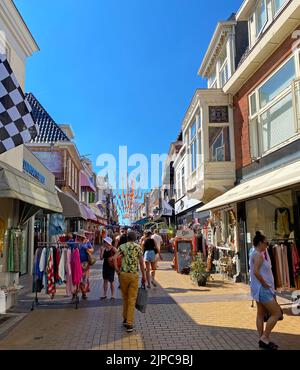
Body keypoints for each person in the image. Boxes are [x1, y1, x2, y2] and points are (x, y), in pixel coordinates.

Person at [249, 231, 283, 350]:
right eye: (265, 243)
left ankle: (262, 339)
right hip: (263, 289)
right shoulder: (258, 255)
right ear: (259, 243)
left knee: (260, 313)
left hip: (258, 289)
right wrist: (264, 284)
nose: (267, 245)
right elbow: (256, 272)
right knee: (276, 313)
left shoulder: (255, 253)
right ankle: (265, 337)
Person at [114, 231, 146, 333]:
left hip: (123, 275)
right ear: (135, 238)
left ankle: (125, 319)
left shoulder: (122, 246)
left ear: (127, 238)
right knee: (132, 299)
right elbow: (141, 263)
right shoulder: (138, 247)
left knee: (125, 298)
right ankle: (129, 323)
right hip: (134, 275)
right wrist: (144, 276)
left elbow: (114, 258)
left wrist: (117, 270)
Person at [75, 229, 94, 300]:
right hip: (76, 263)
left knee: (85, 279)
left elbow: (92, 249)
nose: (78, 237)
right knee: (77, 278)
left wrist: (87, 250)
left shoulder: (86, 242)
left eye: (80, 236)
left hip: (85, 263)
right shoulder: (74, 242)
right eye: (78, 236)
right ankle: (76, 293)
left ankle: (84, 293)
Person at [100, 236, 117, 300]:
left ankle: (113, 295)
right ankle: (104, 294)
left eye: (104, 242)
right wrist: (102, 251)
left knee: (111, 281)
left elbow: (119, 254)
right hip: (105, 265)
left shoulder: (113, 249)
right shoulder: (103, 249)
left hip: (111, 266)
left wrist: (113, 257)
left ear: (108, 242)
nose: (103, 243)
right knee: (105, 280)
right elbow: (101, 258)